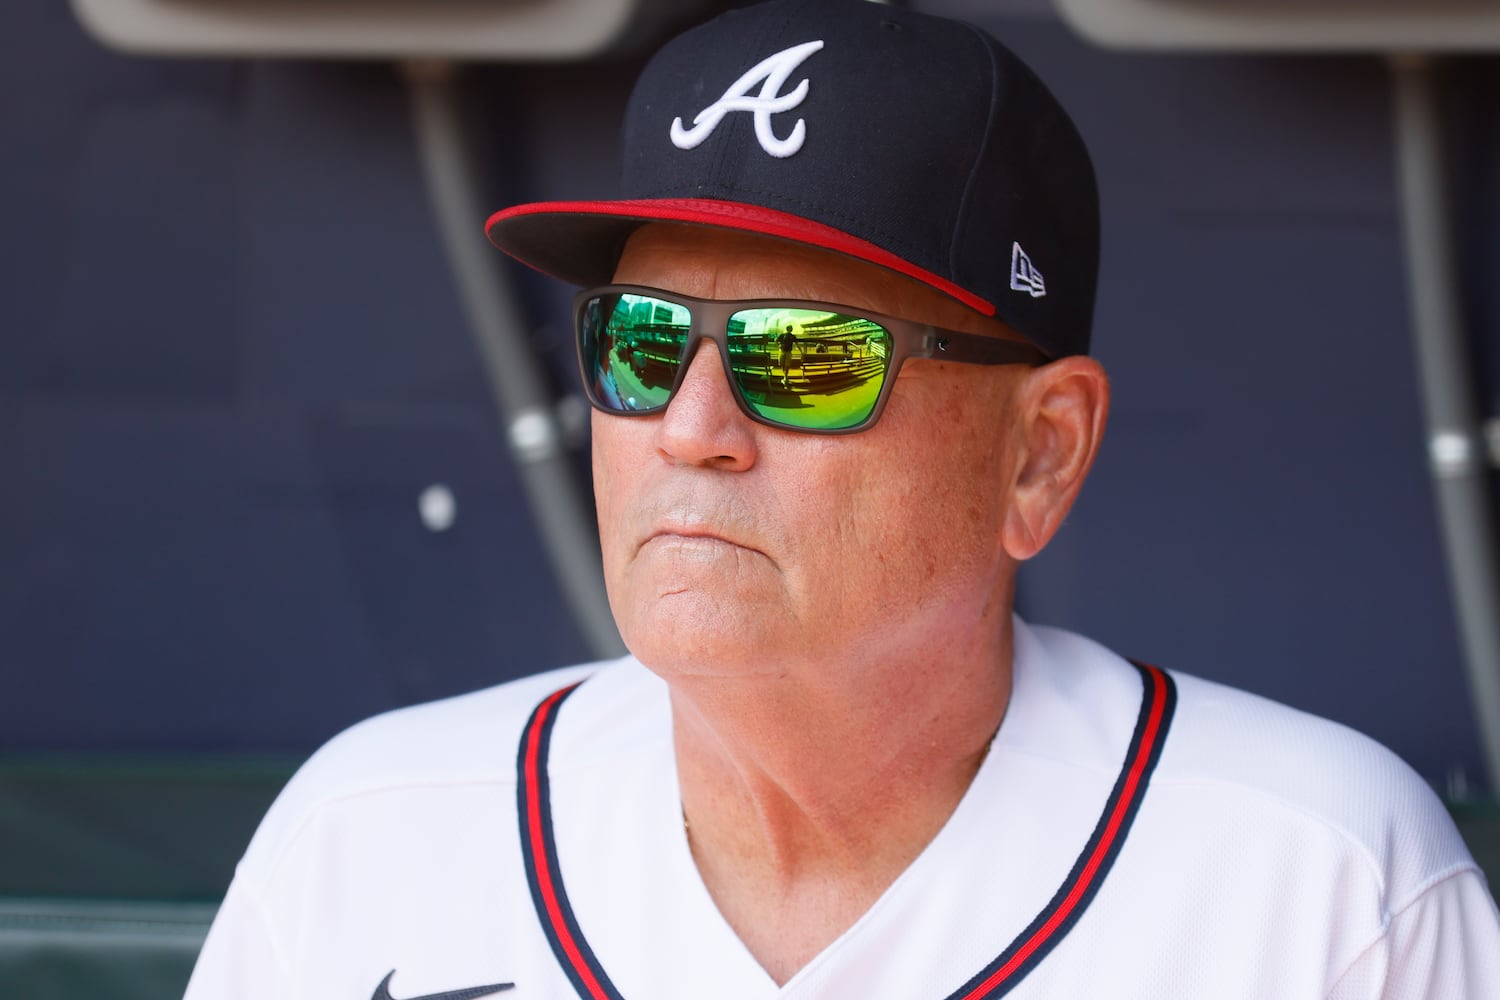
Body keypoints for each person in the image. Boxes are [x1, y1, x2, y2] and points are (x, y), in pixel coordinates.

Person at [184, 2, 1500, 998]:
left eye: (806, 357)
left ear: (1038, 454)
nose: (691, 429)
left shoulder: (1322, 881)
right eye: (640, 342)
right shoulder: (365, 841)